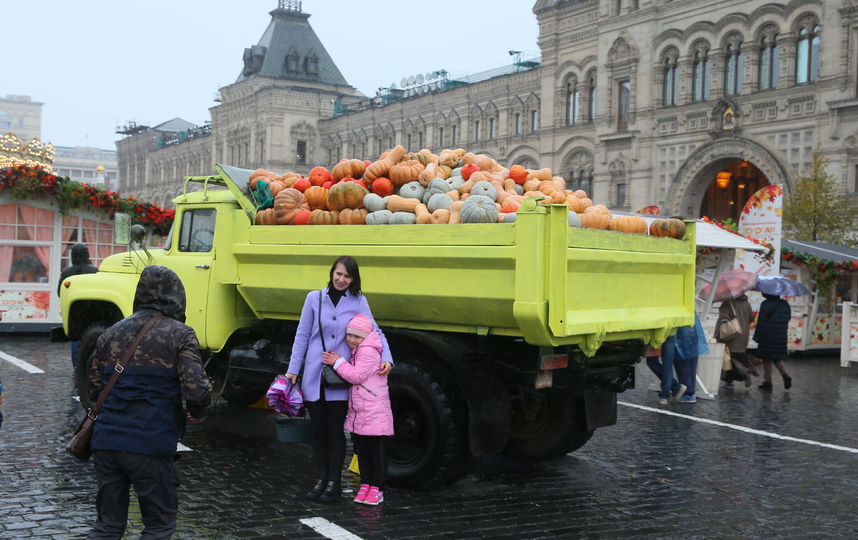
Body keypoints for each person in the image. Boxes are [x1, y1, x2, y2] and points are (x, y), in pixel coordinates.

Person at [86, 265, 211, 539]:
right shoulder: (180, 334)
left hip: (106, 443)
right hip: (151, 443)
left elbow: (94, 388)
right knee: (158, 527)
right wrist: (197, 412)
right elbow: (197, 390)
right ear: (176, 296)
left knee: (106, 527)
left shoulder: (111, 333)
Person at [285, 256, 393, 503]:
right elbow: (302, 336)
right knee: (318, 431)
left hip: (341, 377)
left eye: (347, 276)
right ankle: (321, 479)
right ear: (332, 272)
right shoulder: (314, 298)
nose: (341, 279)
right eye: (338, 273)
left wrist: (386, 357)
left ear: (353, 279)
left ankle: (334, 482)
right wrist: (293, 371)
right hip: (314, 375)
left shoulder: (358, 301)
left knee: (335, 431)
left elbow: (374, 331)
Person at [322, 313, 393, 505]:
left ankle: (377, 489)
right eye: (349, 335)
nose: (352, 340)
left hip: (373, 411)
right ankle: (365, 485)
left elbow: (356, 375)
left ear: (365, 337)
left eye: (357, 337)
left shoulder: (368, 351)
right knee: (363, 450)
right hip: (363, 411)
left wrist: (337, 361)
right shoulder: (360, 349)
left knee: (375, 451)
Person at [57, 243, 98, 367]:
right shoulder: (93, 271)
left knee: (75, 340)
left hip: (74, 312)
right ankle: (90, 366)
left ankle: (77, 367)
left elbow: (60, 292)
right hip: (91, 310)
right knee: (92, 339)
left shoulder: (67, 272)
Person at [753, 293, 793, 391]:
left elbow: (761, 322)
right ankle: (785, 374)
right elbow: (788, 318)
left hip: (768, 335)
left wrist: (757, 336)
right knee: (776, 357)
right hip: (781, 335)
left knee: (766, 359)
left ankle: (768, 382)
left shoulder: (766, 304)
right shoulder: (785, 304)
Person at [716, 294, 756, 387]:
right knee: (738, 355)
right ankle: (734, 378)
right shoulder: (746, 304)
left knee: (730, 358)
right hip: (743, 334)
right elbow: (751, 318)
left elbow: (722, 319)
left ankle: (741, 375)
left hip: (731, 334)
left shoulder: (727, 304)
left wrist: (717, 335)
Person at [673, 312, 709, 403]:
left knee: (682, 365)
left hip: (682, 334)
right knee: (691, 364)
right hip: (692, 333)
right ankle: (690, 392)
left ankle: (687, 393)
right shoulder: (690, 307)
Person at [645, 340, 686, 406]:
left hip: (655, 335)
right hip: (671, 332)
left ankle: (674, 388)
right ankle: (665, 396)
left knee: (652, 361)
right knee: (667, 363)